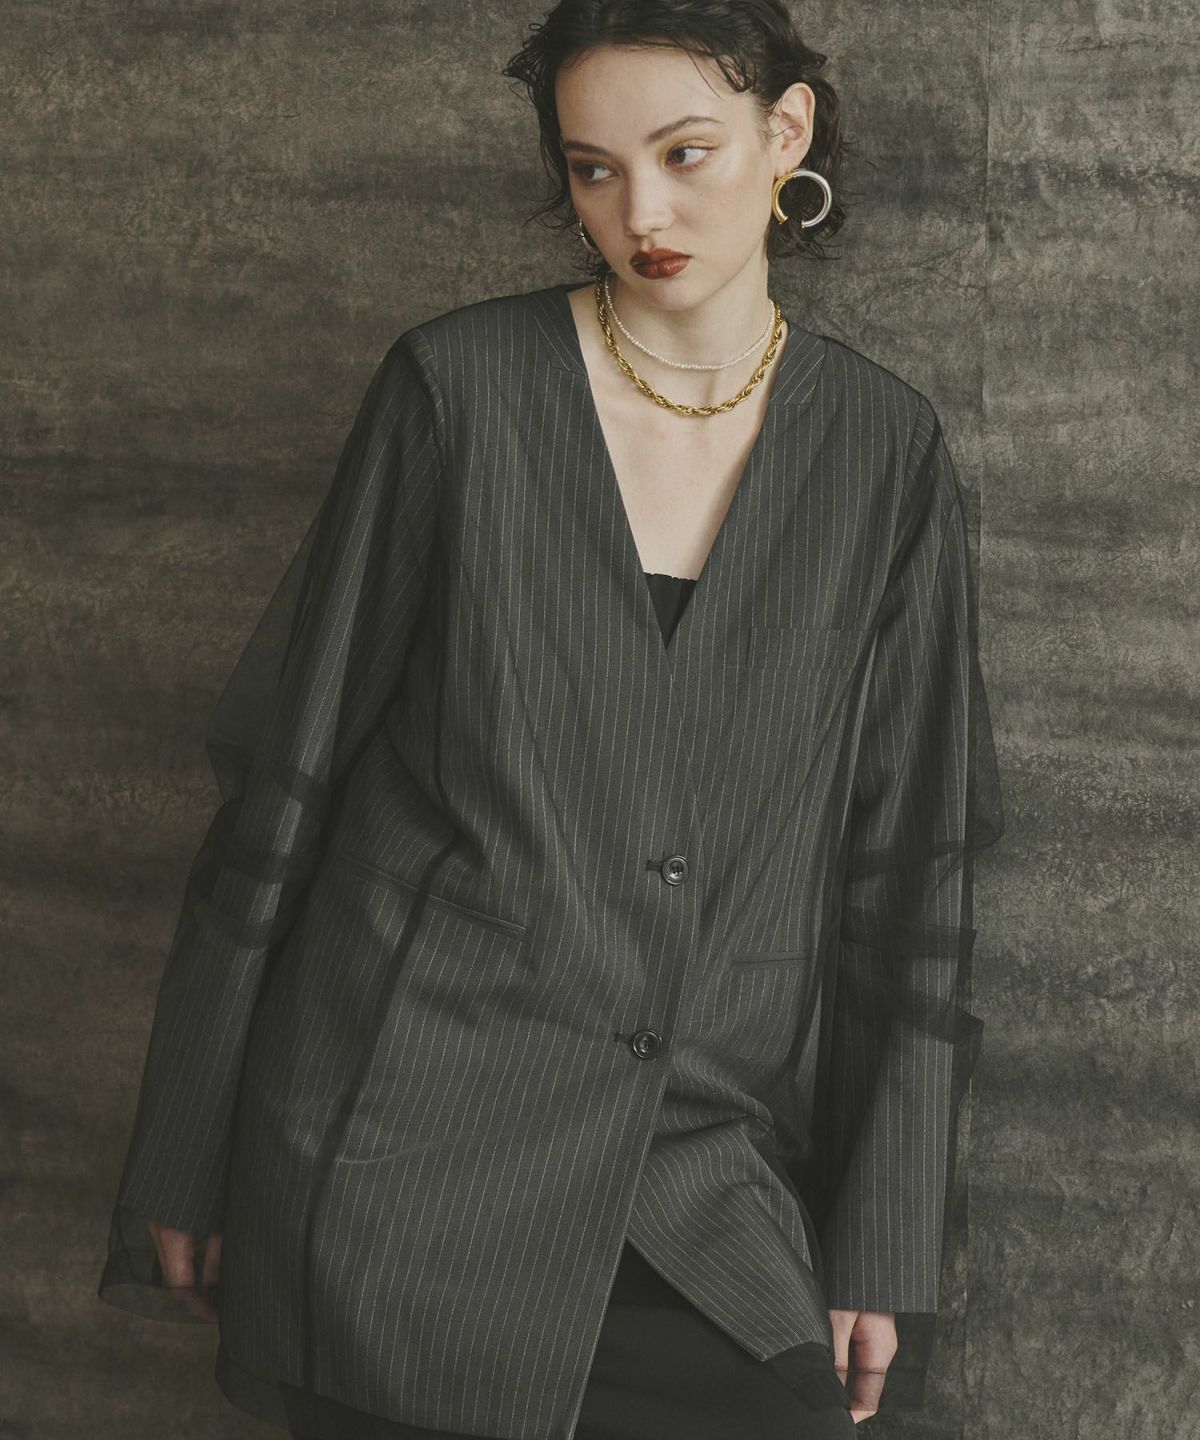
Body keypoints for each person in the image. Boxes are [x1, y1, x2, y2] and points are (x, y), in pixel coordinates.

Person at [97, 3, 1005, 1438]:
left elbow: (912, 869)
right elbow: (290, 780)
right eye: (593, 169)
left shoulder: (885, 455)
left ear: (786, 135)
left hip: (703, 1166)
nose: (640, 212)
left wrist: (881, 1237)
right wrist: (186, 1150)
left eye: (685, 153)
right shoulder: (458, 391)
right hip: (401, 1156)